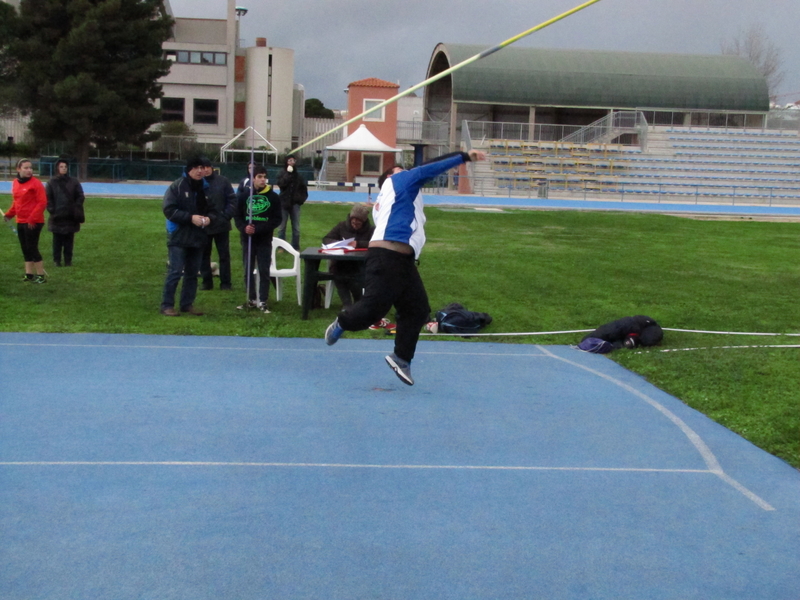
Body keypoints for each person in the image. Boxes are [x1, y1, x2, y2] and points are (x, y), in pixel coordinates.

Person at [324, 149, 486, 385]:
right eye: (399, 169)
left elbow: (427, 165)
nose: (405, 170)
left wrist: (459, 153)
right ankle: (343, 321)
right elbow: (428, 169)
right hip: (387, 257)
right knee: (373, 310)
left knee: (418, 310)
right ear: (390, 177)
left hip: (403, 261)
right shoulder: (399, 180)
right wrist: (464, 157)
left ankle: (401, 358)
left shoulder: (398, 193)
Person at [160, 156, 217, 317]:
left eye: (202, 167)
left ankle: (187, 304)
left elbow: (213, 209)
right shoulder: (177, 187)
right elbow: (169, 210)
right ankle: (167, 305)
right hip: (179, 236)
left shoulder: (206, 188)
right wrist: (190, 218)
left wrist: (209, 218)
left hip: (198, 237)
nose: (200, 171)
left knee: (193, 273)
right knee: (175, 271)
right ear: (188, 170)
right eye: (196, 168)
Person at [234, 165, 282, 313]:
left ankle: (263, 300)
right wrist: (244, 228)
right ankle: (251, 298)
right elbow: (237, 216)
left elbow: (277, 219)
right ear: (253, 178)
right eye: (259, 177)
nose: (262, 180)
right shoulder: (244, 196)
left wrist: (260, 229)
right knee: (248, 269)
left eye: (264, 177)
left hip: (264, 240)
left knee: (264, 270)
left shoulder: (273, 197)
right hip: (248, 240)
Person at [321, 204, 375, 308]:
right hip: (341, 264)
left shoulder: (371, 230)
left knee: (355, 278)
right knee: (339, 275)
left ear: (364, 222)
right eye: (353, 220)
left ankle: (357, 303)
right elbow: (326, 239)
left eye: (358, 221)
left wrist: (358, 244)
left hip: (361, 265)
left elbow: (375, 243)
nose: (355, 223)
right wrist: (340, 244)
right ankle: (347, 305)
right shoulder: (341, 226)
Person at [4, 159, 48, 283]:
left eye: (30, 168)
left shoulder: (36, 183)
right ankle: (29, 274)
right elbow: (17, 202)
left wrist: (32, 218)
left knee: (32, 247)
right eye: (26, 168)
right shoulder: (16, 183)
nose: (29, 170)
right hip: (21, 220)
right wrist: (10, 214)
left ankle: (40, 275)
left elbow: (42, 202)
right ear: (18, 169)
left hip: (34, 221)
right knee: (25, 247)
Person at [199, 158, 236, 291]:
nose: (206, 169)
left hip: (221, 225)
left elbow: (232, 200)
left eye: (208, 167)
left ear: (212, 167)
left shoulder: (223, 181)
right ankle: (206, 282)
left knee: (224, 255)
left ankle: (226, 283)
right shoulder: (197, 183)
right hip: (204, 226)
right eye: (203, 167)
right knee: (204, 255)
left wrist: (226, 216)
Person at [45, 158, 85, 267]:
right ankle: (56, 260)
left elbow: (80, 196)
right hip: (57, 216)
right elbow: (48, 198)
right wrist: (52, 210)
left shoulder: (74, 182)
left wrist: (76, 207)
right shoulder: (51, 182)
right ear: (57, 168)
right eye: (61, 167)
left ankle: (68, 260)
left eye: (65, 167)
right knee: (57, 241)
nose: (63, 169)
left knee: (69, 240)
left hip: (70, 216)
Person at [276, 156, 307, 250]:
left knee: (296, 228)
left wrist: (300, 200)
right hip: (283, 203)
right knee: (282, 227)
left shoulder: (298, 176)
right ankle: (281, 247)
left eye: (293, 160)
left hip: (295, 204)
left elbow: (303, 189)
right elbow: (281, 184)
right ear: (286, 162)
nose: (291, 162)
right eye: (289, 160)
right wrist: (287, 175)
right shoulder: (281, 173)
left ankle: (295, 247)